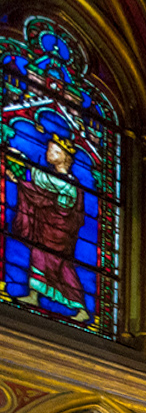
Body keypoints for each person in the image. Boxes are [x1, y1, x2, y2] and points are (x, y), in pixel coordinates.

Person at [7, 130, 90, 322]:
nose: (48, 152)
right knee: (38, 256)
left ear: (64, 157)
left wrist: (23, 178)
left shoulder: (69, 183)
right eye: (49, 149)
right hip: (46, 227)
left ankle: (80, 307)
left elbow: (51, 200)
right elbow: (40, 193)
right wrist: (19, 179)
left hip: (59, 232)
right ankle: (34, 295)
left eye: (54, 150)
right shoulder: (48, 177)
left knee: (61, 266)